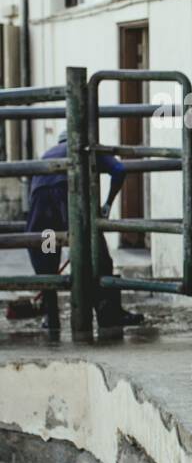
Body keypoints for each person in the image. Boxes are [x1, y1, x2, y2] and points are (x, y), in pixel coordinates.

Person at [26, 132, 144, 330]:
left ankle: (51, 316)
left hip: (41, 201)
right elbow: (119, 169)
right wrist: (107, 204)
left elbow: (33, 187)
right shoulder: (87, 148)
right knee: (96, 252)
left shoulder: (48, 154)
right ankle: (108, 312)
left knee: (47, 248)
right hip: (67, 192)